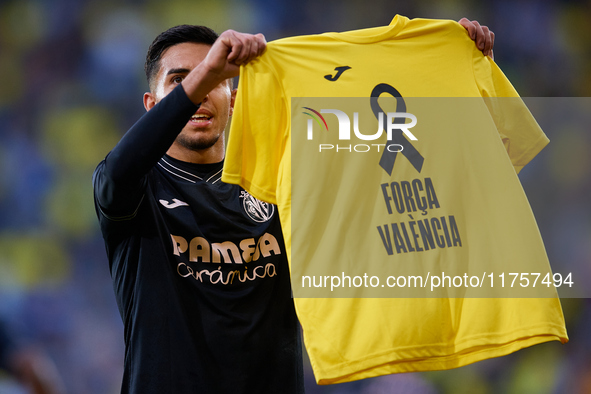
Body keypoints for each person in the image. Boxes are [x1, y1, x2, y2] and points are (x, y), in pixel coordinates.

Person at [93, 19, 495, 394]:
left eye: (215, 80)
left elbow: (394, 178)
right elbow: (119, 171)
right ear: (152, 103)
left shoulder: (278, 178)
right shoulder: (136, 186)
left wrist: (445, 66)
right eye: (180, 79)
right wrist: (207, 73)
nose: (201, 90)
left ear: (233, 99)